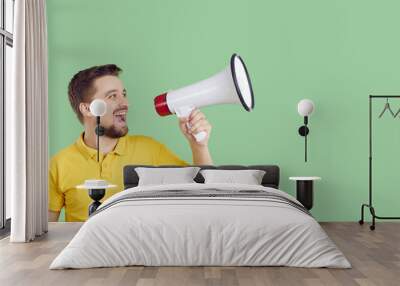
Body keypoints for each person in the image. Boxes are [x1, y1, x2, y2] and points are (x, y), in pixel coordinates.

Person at [48, 64, 213, 222]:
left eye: (124, 94)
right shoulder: (59, 164)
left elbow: (204, 192)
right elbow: (45, 232)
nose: (126, 103)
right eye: (113, 96)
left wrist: (199, 146)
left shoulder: (150, 150)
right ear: (87, 109)